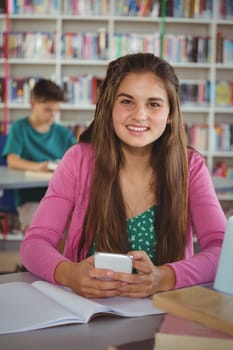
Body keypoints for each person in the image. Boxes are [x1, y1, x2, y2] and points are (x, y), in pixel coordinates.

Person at [20, 53, 226, 298]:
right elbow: (34, 243)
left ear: (171, 113)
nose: (139, 115)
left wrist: (165, 277)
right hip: (89, 312)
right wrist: (70, 274)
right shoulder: (78, 160)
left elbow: (222, 250)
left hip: (166, 312)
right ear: (109, 106)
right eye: (127, 101)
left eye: (154, 104)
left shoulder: (190, 167)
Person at [2, 78, 76, 232]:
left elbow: (79, 159)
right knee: (38, 234)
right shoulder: (20, 128)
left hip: (63, 196)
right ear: (33, 104)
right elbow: (12, 160)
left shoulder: (63, 133)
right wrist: (38, 167)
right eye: (48, 110)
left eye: (56, 110)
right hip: (31, 198)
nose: (53, 116)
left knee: (75, 231)